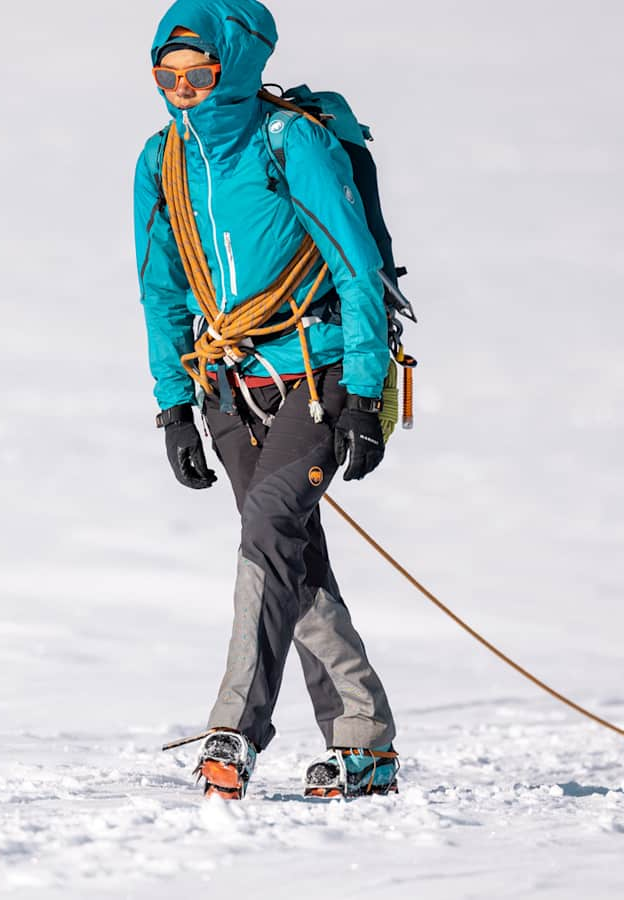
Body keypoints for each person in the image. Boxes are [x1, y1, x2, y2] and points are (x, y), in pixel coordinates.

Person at [134, 0, 399, 799]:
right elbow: (160, 290)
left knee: (271, 528)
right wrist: (175, 406)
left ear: (235, 67)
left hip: (316, 375)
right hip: (228, 386)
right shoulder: (161, 160)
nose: (182, 88)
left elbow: (356, 270)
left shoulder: (294, 141)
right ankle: (365, 746)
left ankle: (233, 729)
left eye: (199, 72)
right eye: (167, 74)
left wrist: (364, 392)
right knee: (286, 552)